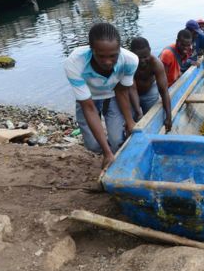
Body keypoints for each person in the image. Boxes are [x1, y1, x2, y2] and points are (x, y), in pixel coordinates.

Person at [64, 23, 137, 169]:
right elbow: (88, 108)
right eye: (101, 56)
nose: (108, 62)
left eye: (113, 56)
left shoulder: (130, 60)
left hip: (113, 95)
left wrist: (130, 122)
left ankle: (115, 157)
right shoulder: (75, 62)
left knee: (117, 140)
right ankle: (108, 153)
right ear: (92, 50)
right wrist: (106, 152)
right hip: (88, 99)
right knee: (92, 145)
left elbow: (122, 91)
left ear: (119, 50)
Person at [128, 37, 172, 132]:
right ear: (132, 54)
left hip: (149, 91)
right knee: (133, 119)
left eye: (145, 57)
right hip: (131, 93)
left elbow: (164, 91)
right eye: (139, 57)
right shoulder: (128, 64)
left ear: (150, 51)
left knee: (152, 118)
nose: (142, 60)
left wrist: (169, 116)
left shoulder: (156, 64)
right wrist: (138, 111)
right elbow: (132, 89)